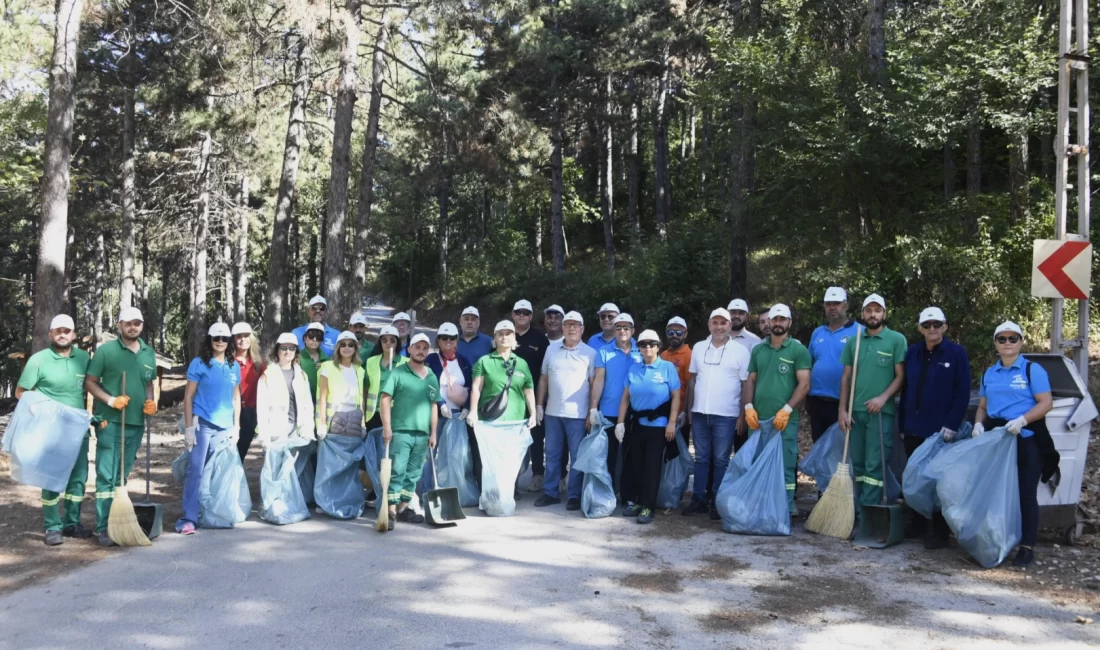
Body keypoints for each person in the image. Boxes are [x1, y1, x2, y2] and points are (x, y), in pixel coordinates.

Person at [972, 321, 1054, 567]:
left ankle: (1027, 546)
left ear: (1021, 342)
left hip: (1026, 438)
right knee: (996, 491)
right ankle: (998, 540)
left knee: (1025, 493)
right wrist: (978, 425)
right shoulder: (989, 373)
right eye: (1002, 339)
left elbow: (1046, 402)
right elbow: (983, 407)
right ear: (995, 343)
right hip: (998, 441)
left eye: (1012, 338)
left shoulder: (1032, 370)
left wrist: (1023, 420)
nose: (1007, 343)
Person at [897, 307, 971, 548]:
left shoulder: (956, 354)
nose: (932, 329)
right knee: (915, 477)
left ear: (945, 327)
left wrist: (951, 424)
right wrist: (902, 423)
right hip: (913, 427)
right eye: (927, 325)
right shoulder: (913, 353)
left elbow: (963, 392)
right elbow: (906, 389)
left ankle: (939, 531)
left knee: (939, 480)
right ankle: (917, 523)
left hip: (940, 431)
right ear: (920, 328)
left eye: (937, 324)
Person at [16, 315, 92, 545]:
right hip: (51, 431)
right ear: (50, 334)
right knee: (51, 478)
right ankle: (52, 526)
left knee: (78, 478)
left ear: (74, 335)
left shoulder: (84, 358)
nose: (62, 334)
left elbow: (91, 386)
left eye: (67, 331)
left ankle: (72, 523)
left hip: (78, 430)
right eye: (58, 330)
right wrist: (45, 409)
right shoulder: (38, 360)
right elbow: (21, 392)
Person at [85, 307, 157, 547]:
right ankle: (104, 527)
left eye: (137, 323)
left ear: (142, 325)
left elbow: (148, 383)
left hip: (136, 422)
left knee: (121, 475)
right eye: (128, 323)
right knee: (107, 474)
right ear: (119, 325)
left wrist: (151, 402)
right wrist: (110, 400)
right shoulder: (106, 351)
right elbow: (90, 382)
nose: (133, 327)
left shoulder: (148, 353)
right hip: (111, 421)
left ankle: (118, 522)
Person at [838, 293, 906, 511]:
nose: (873, 314)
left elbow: (901, 376)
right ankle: (858, 512)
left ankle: (869, 512)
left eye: (877, 310)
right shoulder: (854, 341)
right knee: (858, 464)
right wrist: (842, 410)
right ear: (862, 314)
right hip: (855, 412)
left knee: (874, 465)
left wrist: (883, 398)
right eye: (868, 310)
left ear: (884, 314)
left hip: (881, 413)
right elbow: (846, 378)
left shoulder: (896, 340)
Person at [743, 304, 812, 516]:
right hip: (758, 419)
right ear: (769, 322)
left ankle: (786, 506)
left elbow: (804, 384)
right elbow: (750, 380)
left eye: (783, 319)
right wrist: (748, 407)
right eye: (775, 319)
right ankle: (759, 506)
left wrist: (787, 409)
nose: (778, 323)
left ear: (789, 322)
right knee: (757, 462)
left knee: (785, 464)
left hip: (785, 420)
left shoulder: (798, 350)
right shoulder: (758, 350)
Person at [683, 308, 751, 519]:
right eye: (715, 322)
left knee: (721, 459)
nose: (719, 327)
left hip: (727, 415)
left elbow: (745, 384)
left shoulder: (740, 351)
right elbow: (692, 380)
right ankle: (698, 499)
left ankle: (717, 501)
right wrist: (690, 409)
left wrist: (742, 415)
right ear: (709, 325)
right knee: (701, 458)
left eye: (723, 323)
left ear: (730, 326)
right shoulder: (699, 347)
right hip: (700, 413)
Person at [178, 322, 242, 535]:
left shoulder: (233, 366)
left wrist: (237, 426)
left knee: (217, 472)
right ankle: (188, 518)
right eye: (216, 338)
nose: (220, 342)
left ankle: (211, 513)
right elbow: (188, 397)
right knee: (196, 470)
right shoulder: (199, 363)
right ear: (209, 340)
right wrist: (189, 428)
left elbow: (236, 397)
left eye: (225, 339)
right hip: (203, 424)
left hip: (225, 427)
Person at [617, 329, 681, 524]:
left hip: (658, 426)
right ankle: (638, 501)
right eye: (643, 344)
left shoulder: (667, 368)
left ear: (658, 346)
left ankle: (648, 506)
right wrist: (620, 423)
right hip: (637, 425)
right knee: (636, 465)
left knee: (652, 467)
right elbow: (625, 398)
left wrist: (671, 423)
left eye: (651, 344)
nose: (647, 348)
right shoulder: (634, 368)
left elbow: (676, 397)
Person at [535, 311, 597, 511]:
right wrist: (539, 405)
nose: (571, 328)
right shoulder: (551, 349)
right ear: (562, 327)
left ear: (582, 329)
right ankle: (550, 492)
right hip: (553, 412)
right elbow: (544, 378)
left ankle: (574, 495)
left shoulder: (590, 353)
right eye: (568, 324)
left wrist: (592, 411)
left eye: (576, 325)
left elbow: (593, 384)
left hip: (578, 415)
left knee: (577, 456)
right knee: (552, 454)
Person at [380, 333, 441, 527]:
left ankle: (403, 509)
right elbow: (385, 399)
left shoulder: (431, 376)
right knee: (397, 471)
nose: (421, 351)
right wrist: (387, 427)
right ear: (410, 349)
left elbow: (434, 405)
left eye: (425, 348)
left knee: (414, 474)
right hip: (401, 431)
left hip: (422, 434)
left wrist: (433, 433)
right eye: (418, 347)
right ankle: (390, 512)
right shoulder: (398, 372)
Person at [588, 313, 641, 493]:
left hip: (634, 411)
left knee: (630, 456)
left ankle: (628, 496)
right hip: (609, 410)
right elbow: (599, 380)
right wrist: (593, 407)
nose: (622, 330)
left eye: (626, 327)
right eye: (618, 327)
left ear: (633, 330)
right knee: (608, 456)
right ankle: (607, 494)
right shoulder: (604, 351)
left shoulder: (641, 349)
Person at [807, 287, 860, 443]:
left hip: (845, 403)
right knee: (819, 448)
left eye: (836, 303)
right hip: (817, 402)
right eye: (828, 304)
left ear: (846, 305)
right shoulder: (818, 332)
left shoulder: (859, 332)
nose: (832, 308)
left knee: (841, 450)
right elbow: (809, 364)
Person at [466, 320, 538, 432]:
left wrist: (533, 414)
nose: (504, 337)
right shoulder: (484, 361)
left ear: (514, 337)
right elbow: (476, 389)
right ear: (495, 338)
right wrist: (473, 411)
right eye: (500, 334)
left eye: (508, 334)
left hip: (516, 422)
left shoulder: (522, 364)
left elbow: (528, 391)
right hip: (489, 422)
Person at [512, 299, 550, 492]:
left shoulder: (540, 339)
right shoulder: (505, 335)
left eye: (525, 313)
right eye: (518, 312)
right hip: (509, 400)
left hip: (534, 397)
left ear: (531, 316)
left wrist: (542, 401)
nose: (522, 316)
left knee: (536, 438)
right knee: (512, 441)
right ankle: (512, 480)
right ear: (513, 315)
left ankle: (537, 474)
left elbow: (546, 372)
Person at [255, 333, 315, 448]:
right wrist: (264, 436)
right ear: (277, 350)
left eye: (292, 348)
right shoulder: (268, 375)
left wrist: (308, 430)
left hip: (297, 431)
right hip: (275, 432)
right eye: (284, 348)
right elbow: (262, 408)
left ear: (296, 351)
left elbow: (308, 405)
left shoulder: (301, 375)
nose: (288, 351)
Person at [317, 332, 366, 440]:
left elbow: (361, 399)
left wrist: (363, 424)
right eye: (343, 345)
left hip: (354, 420)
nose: (346, 348)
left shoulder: (360, 370)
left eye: (350, 345)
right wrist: (322, 423)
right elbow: (322, 398)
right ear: (338, 348)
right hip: (333, 420)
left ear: (355, 348)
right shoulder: (328, 367)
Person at [363, 325, 409, 431]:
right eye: (384, 340)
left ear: (397, 343)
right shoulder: (371, 362)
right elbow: (365, 390)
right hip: (373, 415)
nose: (388, 343)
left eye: (392, 340)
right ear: (380, 343)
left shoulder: (406, 363)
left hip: (396, 415)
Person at [231, 322, 265, 460]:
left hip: (250, 414)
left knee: (240, 453)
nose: (243, 339)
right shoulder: (228, 361)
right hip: (230, 412)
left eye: (246, 336)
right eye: (239, 336)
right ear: (233, 339)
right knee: (227, 451)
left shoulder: (258, 363)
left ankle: (235, 473)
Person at [660, 316, 692, 445]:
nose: (674, 335)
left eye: (679, 332)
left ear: (685, 334)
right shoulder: (663, 355)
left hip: (680, 415)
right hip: (662, 414)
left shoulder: (689, 355)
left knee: (678, 451)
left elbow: (690, 386)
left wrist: (685, 412)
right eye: (670, 332)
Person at [300, 322, 330, 400]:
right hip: (302, 400)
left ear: (321, 341)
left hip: (321, 400)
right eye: (311, 336)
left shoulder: (327, 360)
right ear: (305, 338)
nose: (314, 339)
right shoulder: (297, 358)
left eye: (318, 337)